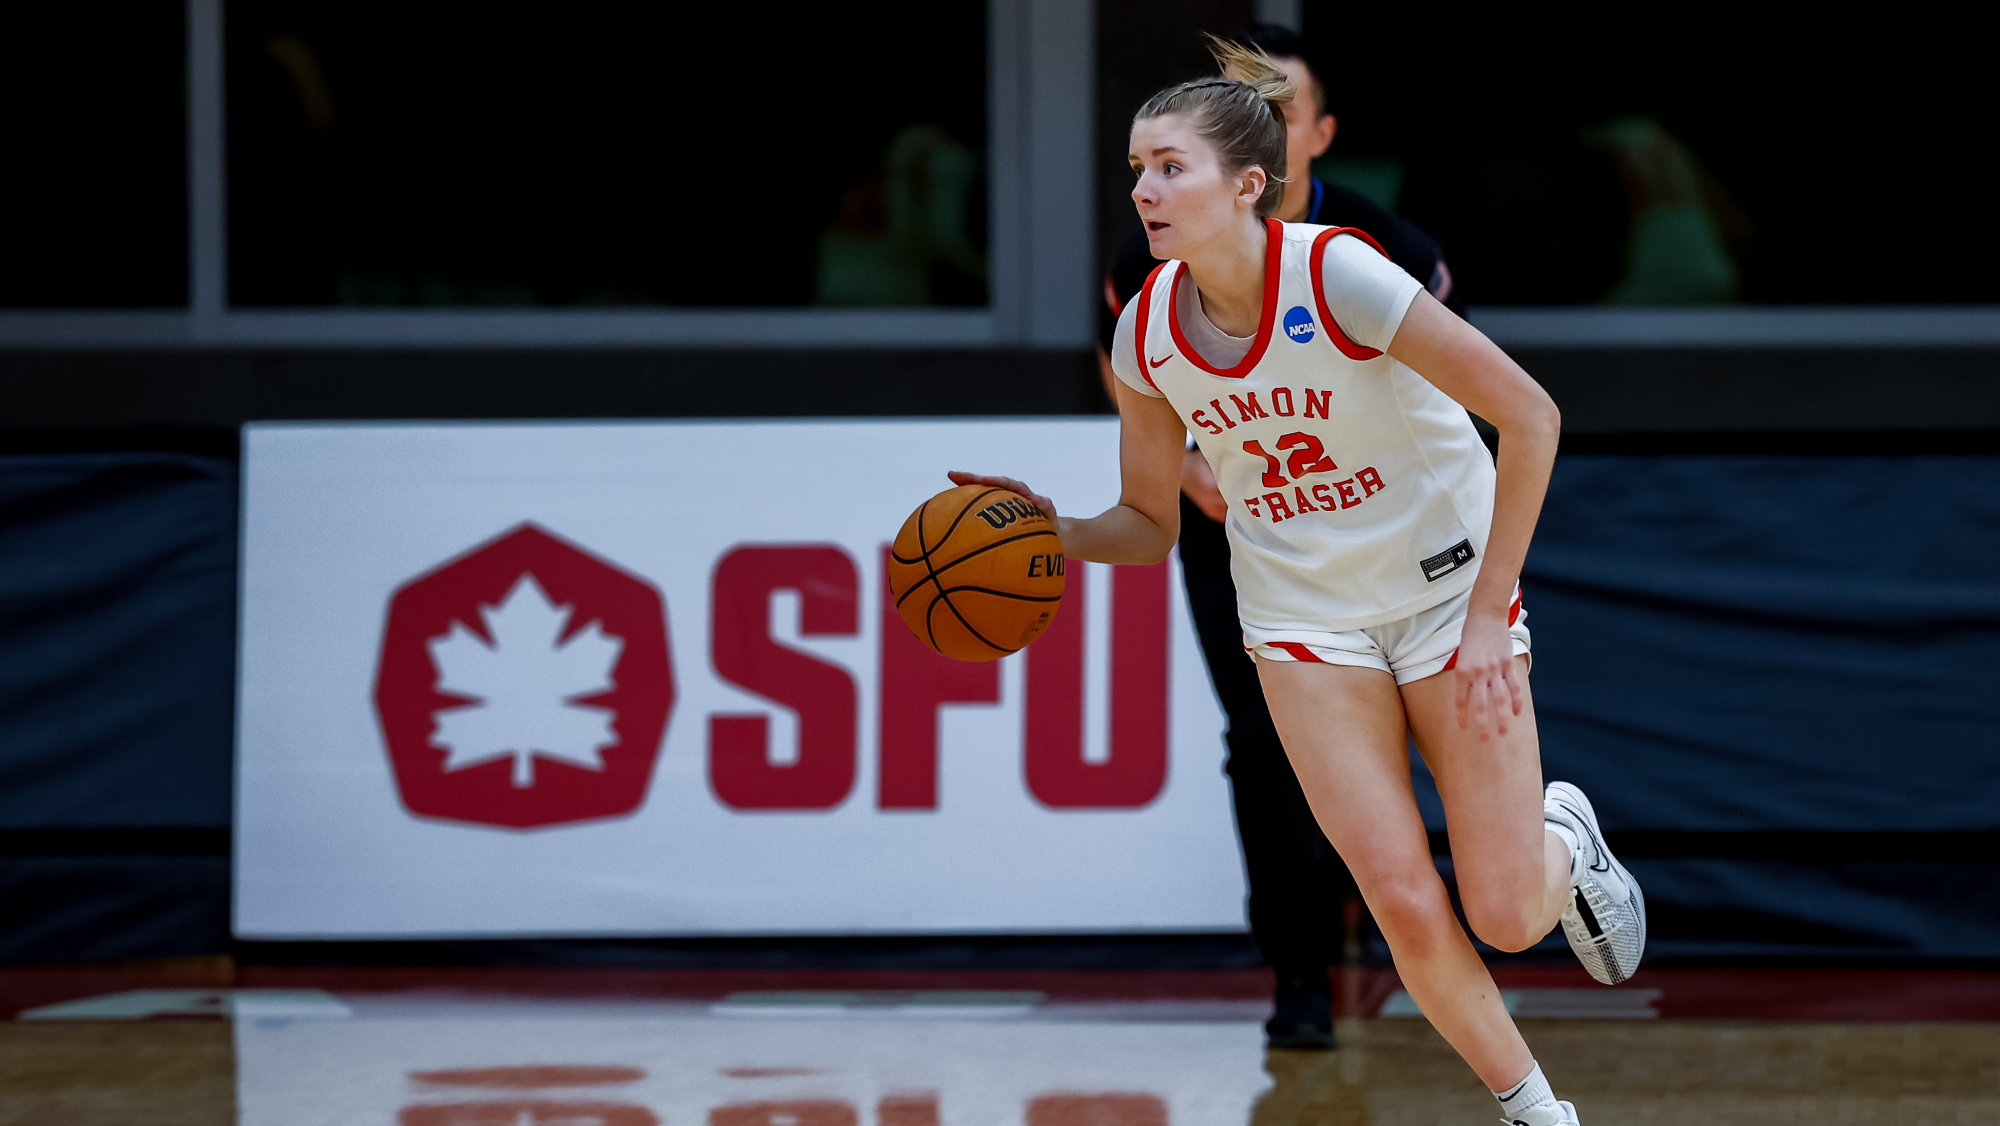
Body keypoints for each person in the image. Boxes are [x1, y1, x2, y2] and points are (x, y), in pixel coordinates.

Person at [960, 38, 1644, 1126]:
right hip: (1300, 618)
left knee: (1507, 912)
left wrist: (1483, 617)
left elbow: (1529, 417)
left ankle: (1562, 836)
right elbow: (1145, 526)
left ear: (1246, 182)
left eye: (1168, 165)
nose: (1142, 188)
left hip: (1442, 589)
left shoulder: (1337, 272)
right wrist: (1041, 529)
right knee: (1401, 903)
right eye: (1135, 167)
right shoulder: (1144, 334)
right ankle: (1536, 1112)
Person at [1095, 23, 1463, 1051]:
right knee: (1260, 743)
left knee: (1389, 738)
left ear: (1317, 132)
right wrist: (1188, 468)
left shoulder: (1386, 251)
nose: (1256, 115)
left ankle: (1389, 919)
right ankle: (1297, 968)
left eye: (1280, 103)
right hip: (1238, 537)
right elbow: (1126, 386)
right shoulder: (1145, 265)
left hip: (1381, 531)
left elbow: (1458, 405)